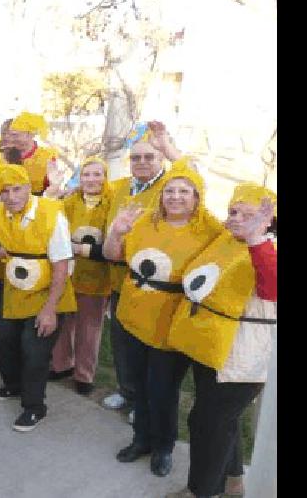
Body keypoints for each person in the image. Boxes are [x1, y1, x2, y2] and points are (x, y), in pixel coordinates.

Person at [103, 164, 224, 477]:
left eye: (184, 191)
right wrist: (116, 232)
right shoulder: (143, 222)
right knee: (138, 385)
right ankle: (141, 439)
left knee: (162, 389)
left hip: (171, 322)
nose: (175, 196)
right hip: (132, 315)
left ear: (197, 197)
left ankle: (163, 447)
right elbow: (112, 254)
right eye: (170, 190)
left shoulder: (210, 231)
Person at [164, 185, 276, 498]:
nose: (237, 219)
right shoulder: (228, 240)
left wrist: (257, 238)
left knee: (206, 423)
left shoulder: (268, 248)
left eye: (248, 215)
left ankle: (202, 491)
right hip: (211, 347)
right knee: (223, 420)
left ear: (268, 220)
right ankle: (233, 481)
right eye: (234, 212)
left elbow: (272, 288)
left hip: (241, 359)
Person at [0, 165, 77, 432]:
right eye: (5, 191)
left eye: (16, 189)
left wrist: (50, 309)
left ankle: (35, 406)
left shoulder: (50, 213)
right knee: (3, 341)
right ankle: (13, 386)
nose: (11, 196)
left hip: (48, 291)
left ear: (28, 187)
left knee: (34, 350)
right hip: (15, 287)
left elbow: (61, 264)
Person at [100, 121, 193, 415]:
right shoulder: (121, 188)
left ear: (161, 159)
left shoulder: (171, 188)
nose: (141, 162)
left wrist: (166, 144)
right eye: (136, 157)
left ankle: (146, 405)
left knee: (153, 352)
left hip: (158, 289)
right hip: (121, 281)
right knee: (123, 343)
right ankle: (128, 393)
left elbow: (192, 177)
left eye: (149, 156)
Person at [49, 157, 112, 395]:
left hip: (97, 276)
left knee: (89, 328)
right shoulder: (70, 201)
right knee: (63, 322)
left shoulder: (111, 202)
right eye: (86, 174)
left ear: (105, 178)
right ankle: (61, 363)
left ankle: (84, 374)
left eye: (97, 174)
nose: (92, 179)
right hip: (68, 273)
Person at [2, 111, 60, 196]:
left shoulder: (47, 156)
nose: (10, 139)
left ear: (30, 135)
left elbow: (53, 187)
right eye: (10, 135)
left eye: (15, 135)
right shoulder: (4, 154)